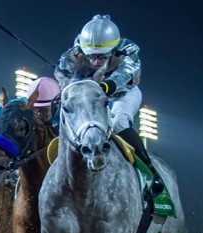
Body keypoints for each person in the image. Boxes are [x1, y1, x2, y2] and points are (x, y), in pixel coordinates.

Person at [55, 15, 163, 193]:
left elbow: (128, 72)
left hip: (123, 94)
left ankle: (151, 173)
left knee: (119, 123)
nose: (96, 61)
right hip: (91, 96)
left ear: (113, 50)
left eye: (102, 57)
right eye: (92, 57)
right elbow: (61, 70)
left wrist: (107, 85)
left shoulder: (128, 49)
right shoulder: (75, 51)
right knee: (66, 122)